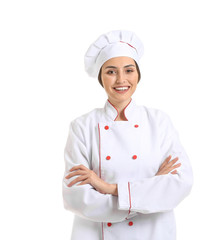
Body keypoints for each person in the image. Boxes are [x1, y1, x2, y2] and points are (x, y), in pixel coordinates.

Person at [62, 30, 193, 240]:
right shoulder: (82, 127)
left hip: (154, 234)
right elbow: (76, 197)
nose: (121, 79)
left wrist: (109, 188)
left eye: (129, 70)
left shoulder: (159, 122)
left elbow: (180, 182)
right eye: (111, 71)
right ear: (100, 77)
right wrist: (147, 194)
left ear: (138, 75)